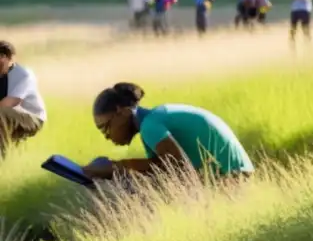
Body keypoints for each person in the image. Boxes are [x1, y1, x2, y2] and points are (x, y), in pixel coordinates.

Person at [83, 82, 254, 182]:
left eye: (105, 127)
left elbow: (177, 166)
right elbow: (165, 170)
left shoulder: (150, 125)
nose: (106, 135)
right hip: (235, 176)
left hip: (234, 180)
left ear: (123, 112)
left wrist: (116, 167)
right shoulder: (154, 119)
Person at [0, 41, 46, 157]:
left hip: (32, 118)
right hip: (8, 114)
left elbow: (10, 103)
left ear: (9, 59)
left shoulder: (23, 74)